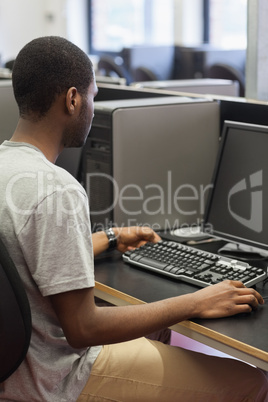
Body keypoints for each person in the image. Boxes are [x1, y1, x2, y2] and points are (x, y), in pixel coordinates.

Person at [0, 36, 267, 402]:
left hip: (15, 367)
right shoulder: (56, 189)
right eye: (94, 97)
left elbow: (22, 252)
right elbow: (83, 327)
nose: (93, 108)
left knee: (155, 332)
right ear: (73, 99)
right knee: (252, 381)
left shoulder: (7, 167)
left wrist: (109, 237)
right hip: (54, 375)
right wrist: (198, 300)